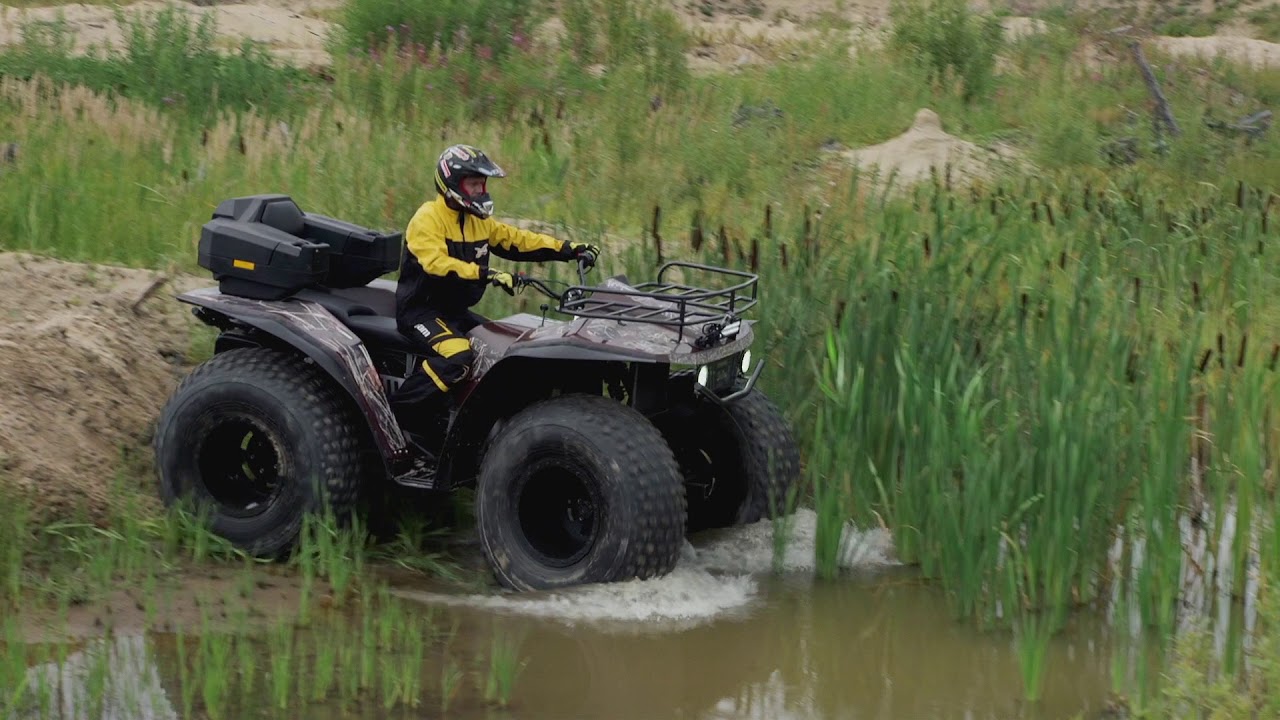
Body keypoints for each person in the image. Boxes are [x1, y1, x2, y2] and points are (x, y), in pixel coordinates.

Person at [389, 144, 599, 449]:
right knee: (459, 355)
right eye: (473, 184)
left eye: (482, 184)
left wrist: (569, 249)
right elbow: (437, 264)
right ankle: (402, 413)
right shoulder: (427, 219)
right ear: (452, 185)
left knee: (500, 351)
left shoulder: (478, 221)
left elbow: (518, 240)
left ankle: (473, 428)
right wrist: (486, 274)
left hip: (455, 311)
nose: (480, 190)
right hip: (421, 311)